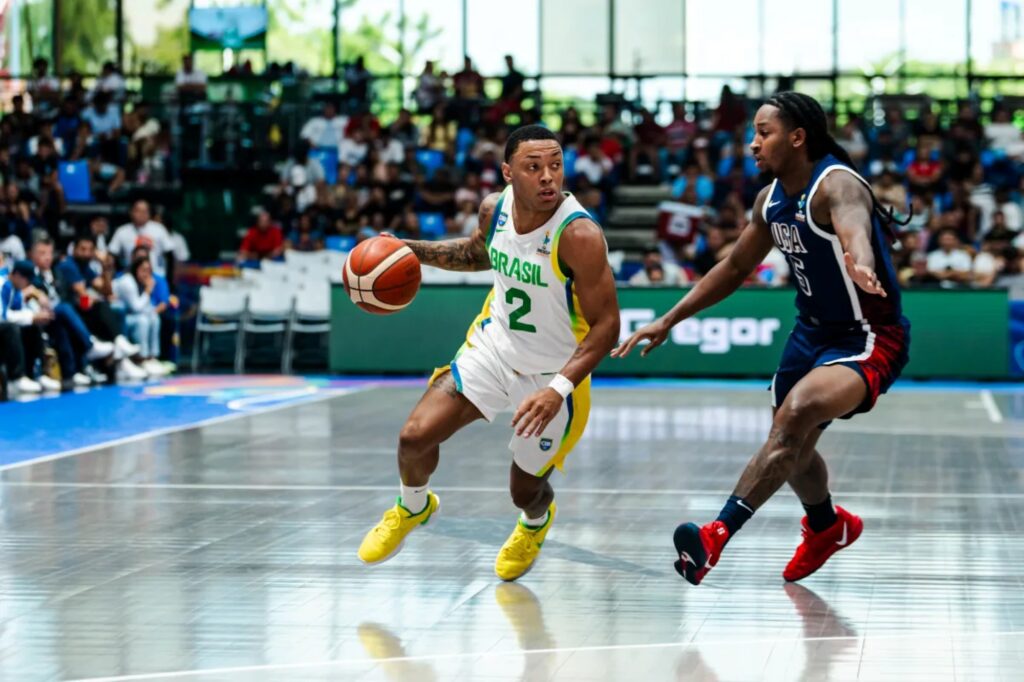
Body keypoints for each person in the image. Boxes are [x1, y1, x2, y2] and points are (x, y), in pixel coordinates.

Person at [613, 91, 911, 586]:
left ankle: (715, 535)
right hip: (810, 335)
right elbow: (732, 267)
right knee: (789, 442)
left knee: (794, 416)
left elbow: (854, 225)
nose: (753, 144)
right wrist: (668, 319)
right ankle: (826, 526)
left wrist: (859, 260)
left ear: (798, 138)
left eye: (764, 133)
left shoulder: (836, 185)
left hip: (868, 336)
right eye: (753, 133)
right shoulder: (769, 202)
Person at [357, 125, 621, 581]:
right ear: (508, 172)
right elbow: (476, 253)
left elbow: (608, 326)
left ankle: (535, 524)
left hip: (553, 375)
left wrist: (558, 390)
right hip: (493, 349)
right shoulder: (494, 209)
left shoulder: (579, 235)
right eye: (533, 167)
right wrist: (408, 250)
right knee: (413, 438)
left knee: (525, 490)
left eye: (555, 166)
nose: (547, 177)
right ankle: (413, 507)